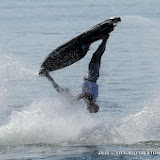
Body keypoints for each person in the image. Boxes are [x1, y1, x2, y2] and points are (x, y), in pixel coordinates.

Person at [45, 34, 110, 113]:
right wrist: (74, 99)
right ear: (93, 106)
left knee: (61, 91)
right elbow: (85, 94)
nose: (87, 110)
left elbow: (87, 92)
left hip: (91, 78)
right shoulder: (91, 100)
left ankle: (47, 76)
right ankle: (104, 40)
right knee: (96, 57)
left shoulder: (89, 101)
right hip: (93, 77)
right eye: (90, 110)